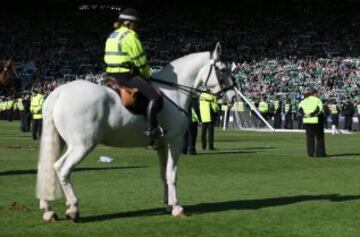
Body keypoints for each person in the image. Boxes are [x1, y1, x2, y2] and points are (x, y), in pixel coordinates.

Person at [103, 8, 163, 144]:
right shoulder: (130, 36)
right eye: (136, 23)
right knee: (154, 97)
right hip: (125, 76)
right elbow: (140, 61)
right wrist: (146, 75)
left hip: (110, 74)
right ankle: (151, 129)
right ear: (129, 23)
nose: (137, 26)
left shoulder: (113, 34)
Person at [298, 87, 326, 158]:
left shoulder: (304, 100)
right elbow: (319, 109)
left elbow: (300, 110)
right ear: (314, 93)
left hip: (307, 121)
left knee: (309, 138)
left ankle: (310, 153)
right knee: (319, 138)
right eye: (316, 93)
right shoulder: (317, 100)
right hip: (316, 121)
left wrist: (305, 115)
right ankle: (320, 154)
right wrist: (311, 115)